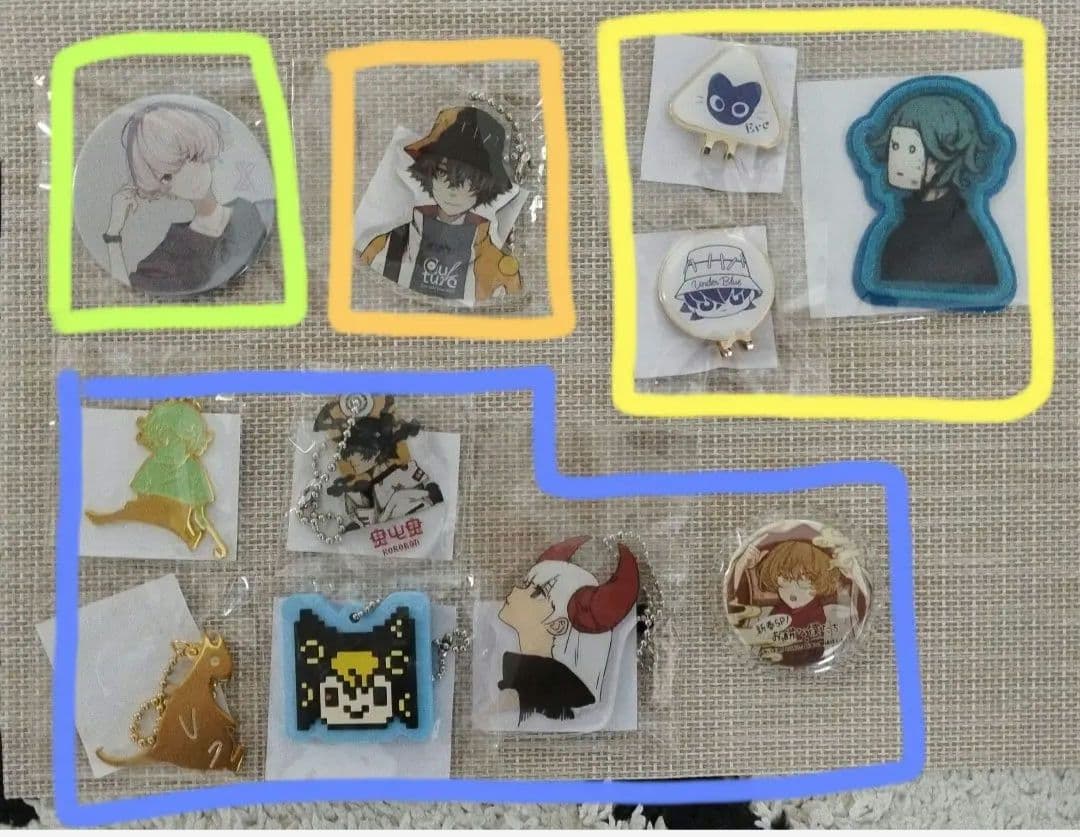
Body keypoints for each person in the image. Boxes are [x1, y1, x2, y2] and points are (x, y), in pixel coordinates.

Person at [104, 101, 273, 296]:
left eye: (191, 157)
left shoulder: (250, 213)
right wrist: (113, 234)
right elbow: (130, 293)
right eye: (168, 175)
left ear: (204, 149)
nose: (187, 176)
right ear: (160, 185)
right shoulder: (173, 251)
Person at [358, 106, 523, 305]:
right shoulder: (383, 247)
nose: (453, 190)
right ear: (429, 172)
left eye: (469, 180)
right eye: (443, 173)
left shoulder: (499, 271)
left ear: (485, 186)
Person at [496, 536, 640, 723]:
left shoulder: (558, 691)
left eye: (537, 592)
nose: (516, 588)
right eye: (525, 584)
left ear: (557, 625)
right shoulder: (519, 672)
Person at [869, 93, 999, 287]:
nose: (898, 160)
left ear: (941, 158)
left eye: (912, 150)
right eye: (895, 146)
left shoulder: (964, 233)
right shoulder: (900, 228)